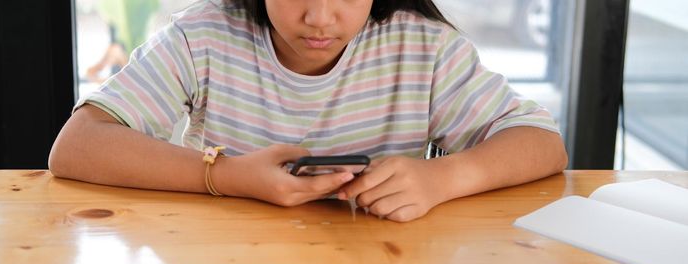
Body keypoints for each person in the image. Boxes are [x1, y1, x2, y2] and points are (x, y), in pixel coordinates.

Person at [49, 0, 568, 222]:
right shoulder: (203, 36)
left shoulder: (424, 47)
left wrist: (444, 178)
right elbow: (77, 145)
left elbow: (542, 141)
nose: (319, 17)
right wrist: (228, 175)